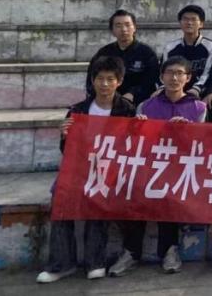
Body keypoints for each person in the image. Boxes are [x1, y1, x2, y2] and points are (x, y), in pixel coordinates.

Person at [36, 56, 139, 284]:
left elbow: (132, 148)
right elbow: (66, 151)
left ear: (119, 81)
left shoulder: (126, 110)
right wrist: (65, 136)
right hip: (78, 169)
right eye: (100, 79)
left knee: (99, 195)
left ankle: (95, 261)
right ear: (92, 81)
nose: (104, 84)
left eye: (110, 79)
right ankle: (61, 264)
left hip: (109, 170)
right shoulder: (78, 110)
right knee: (60, 197)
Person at [134, 57, 208, 275]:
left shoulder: (198, 107)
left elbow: (202, 145)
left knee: (168, 190)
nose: (174, 78)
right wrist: (138, 128)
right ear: (161, 77)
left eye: (179, 73)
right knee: (131, 190)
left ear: (188, 78)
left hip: (183, 168)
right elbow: (137, 145)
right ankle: (130, 251)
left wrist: (188, 131)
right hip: (151, 166)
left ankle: (170, 250)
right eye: (169, 73)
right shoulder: (146, 106)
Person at [85, 9, 159, 105]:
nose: (124, 29)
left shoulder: (147, 53)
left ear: (134, 27)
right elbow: (92, 78)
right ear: (112, 30)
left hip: (138, 102)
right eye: (118, 26)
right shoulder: (104, 53)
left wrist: (133, 93)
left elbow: (151, 81)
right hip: (107, 101)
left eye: (127, 25)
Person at [160, 4, 212, 96]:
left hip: (200, 93)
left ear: (201, 24)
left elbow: (208, 73)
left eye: (193, 19)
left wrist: (197, 88)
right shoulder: (170, 47)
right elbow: (164, 72)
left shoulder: (211, 47)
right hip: (173, 92)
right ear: (180, 23)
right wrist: (163, 88)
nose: (189, 22)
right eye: (185, 19)